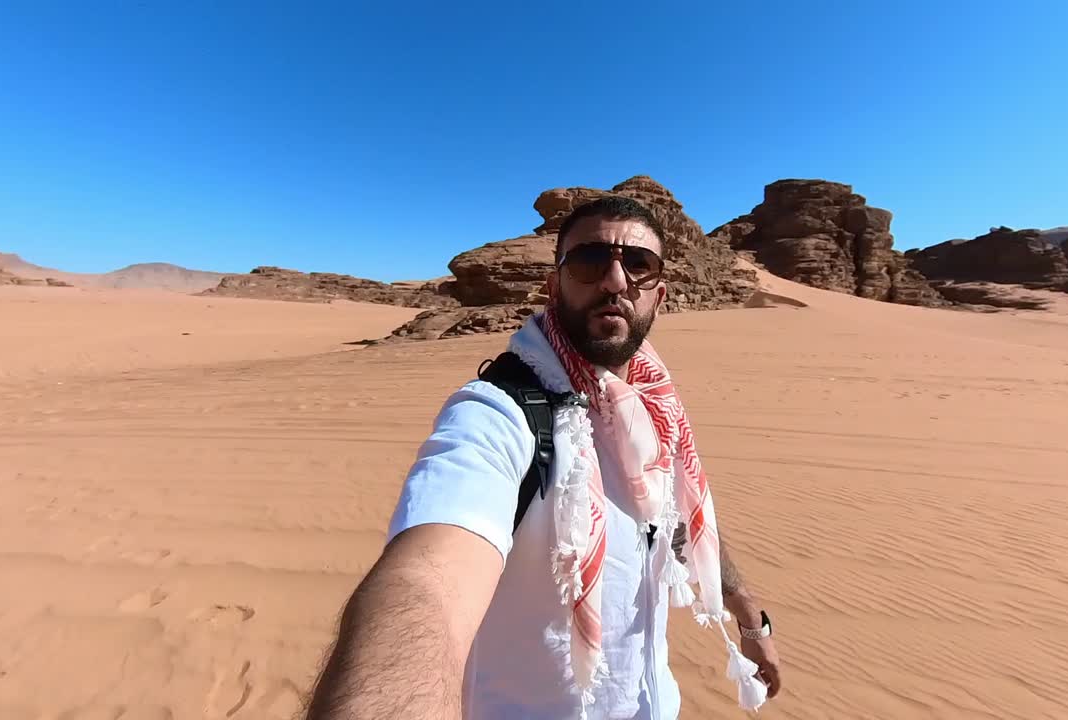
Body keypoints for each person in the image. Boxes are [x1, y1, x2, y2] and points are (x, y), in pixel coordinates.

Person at [304, 196, 782, 720]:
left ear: (659, 295)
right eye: (589, 261)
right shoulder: (500, 413)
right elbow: (424, 583)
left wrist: (749, 614)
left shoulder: (654, 412)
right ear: (553, 286)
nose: (616, 281)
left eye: (638, 265)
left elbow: (676, 519)